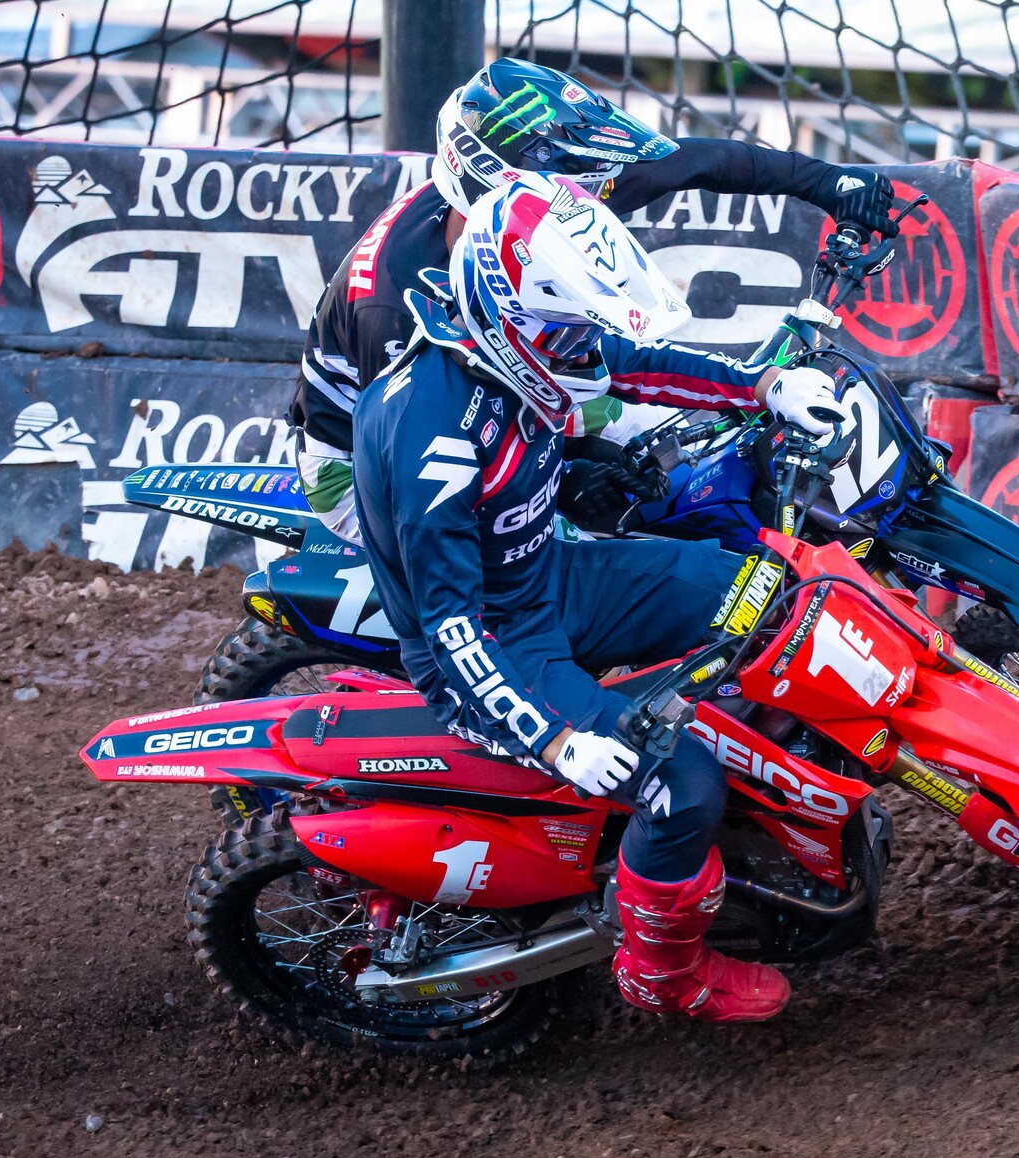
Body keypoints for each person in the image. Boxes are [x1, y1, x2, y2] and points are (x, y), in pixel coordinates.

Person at [350, 174, 847, 1023]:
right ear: (518, 320)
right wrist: (558, 738)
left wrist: (762, 387)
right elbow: (453, 627)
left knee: (765, 591)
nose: (586, 351)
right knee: (681, 782)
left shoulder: (512, 341)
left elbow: (634, 361)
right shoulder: (434, 437)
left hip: (547, 576)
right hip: (497, 647)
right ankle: (662, 974)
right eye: (572, 331)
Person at [297, 59, 898, 541]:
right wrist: (565, 478)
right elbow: (437, 447)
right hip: (365, 466)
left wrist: (826, 182)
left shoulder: (534, 206)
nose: (595, 192)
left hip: (497, 387)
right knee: (575, 553)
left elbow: (700, 161)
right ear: (502, 178)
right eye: (580, 177)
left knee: (681, 442)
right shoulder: (395, 302)